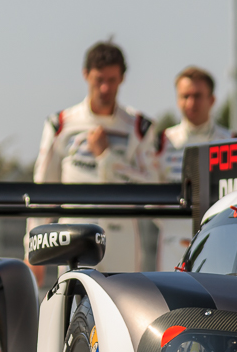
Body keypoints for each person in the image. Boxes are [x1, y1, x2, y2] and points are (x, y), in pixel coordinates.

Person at [31, 40, 159, 279]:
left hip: (122, 237)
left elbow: (152, 186)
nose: (104, 88)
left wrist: (106, 157)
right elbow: (42, 189)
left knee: (123, 310)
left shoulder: (139, 126)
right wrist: (33, 246)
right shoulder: (60, 124)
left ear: (122, 78)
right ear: (85, 75)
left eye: (111, 80)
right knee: (72, 311)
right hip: (72, 235)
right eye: (98, 80)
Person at [156, 66, 232, 269]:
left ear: (212, 100)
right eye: (185, 96)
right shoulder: (161, 142)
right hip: (172, 243)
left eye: (197, 96)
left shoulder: (232, 142)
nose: (191, 103)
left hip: (220, 243)